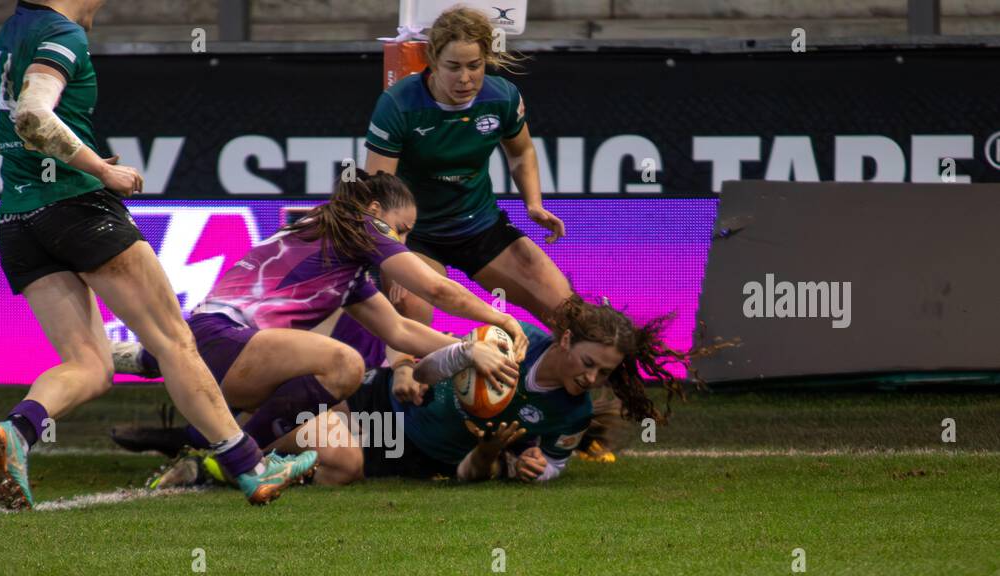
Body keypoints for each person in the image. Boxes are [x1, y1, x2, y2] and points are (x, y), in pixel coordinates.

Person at [0, 0, 315, 509]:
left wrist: (71, 156)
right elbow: (31, 115)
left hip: (18, 221)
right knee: (175, 341)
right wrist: (99, 170)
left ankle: (18, 431)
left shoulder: (8, 36)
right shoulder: (61, 33)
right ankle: (252, 467)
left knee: (90, 366)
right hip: (78, 210)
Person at [106, 170, 521, 485]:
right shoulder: (364, 227)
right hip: (225, 341)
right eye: (403, 229)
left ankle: (161, 375)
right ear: (376, 213)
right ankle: (236, 459)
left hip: (210, 346)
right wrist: (499, 318)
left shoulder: (337, 252)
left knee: (326, 389)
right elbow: (435, 288)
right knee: (345, 365)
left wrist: (467, 348)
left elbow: (400, 332)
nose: (403, 242)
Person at [363, 5, 623, 462]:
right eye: (454, 67)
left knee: (571, 312)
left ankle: (581, 429)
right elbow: (377, 193)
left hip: (479, 225)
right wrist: (394, 251)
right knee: (409, 304)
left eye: (475, 66)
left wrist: (534, 204)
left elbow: (520, 153)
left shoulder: (502, 97)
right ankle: (408, 407)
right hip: (417, 234)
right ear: (431, 59)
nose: (466, 78)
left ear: (488, 61)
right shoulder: (399, 103)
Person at [271, 295, 694, 486]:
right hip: (383, 399)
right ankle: (244, 445)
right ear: (565, 342)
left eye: (604, 373)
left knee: (343, 466)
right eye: (588, 364)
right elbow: (426, 373)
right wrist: (466, 353)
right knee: (303, 414)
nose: (591, 379)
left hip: (417, 454)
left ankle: (246, 465)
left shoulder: (573, 415)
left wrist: (532, 467)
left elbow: (551, 467)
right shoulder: (515, 339)